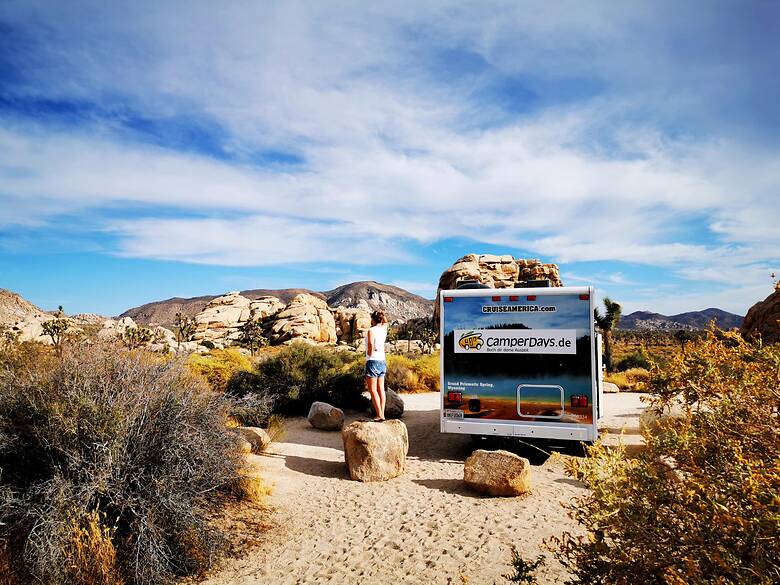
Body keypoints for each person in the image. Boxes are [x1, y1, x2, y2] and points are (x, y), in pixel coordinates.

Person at [365, 310, 388, 421]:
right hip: (382, 361)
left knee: (373, 390)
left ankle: (379, 414)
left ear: (373, 319)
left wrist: (369, 353)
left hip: (373, 360)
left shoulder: (371, 330)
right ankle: (382, 413)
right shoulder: (384, 329)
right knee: (381, 390)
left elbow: (370, 343)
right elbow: (386, 321)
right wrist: (382, 314)